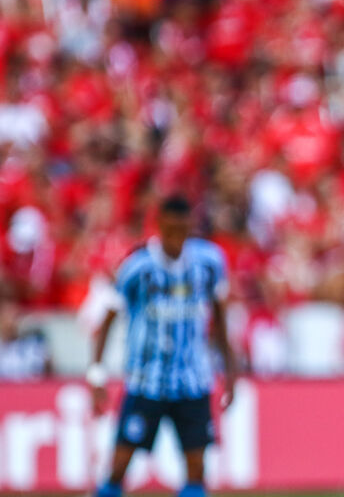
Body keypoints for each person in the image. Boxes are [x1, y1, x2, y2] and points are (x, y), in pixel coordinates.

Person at [89, 195, 237, 497]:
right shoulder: (137, 267)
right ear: (159, 226)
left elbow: (221, 320)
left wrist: (231, 372)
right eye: (170, 230)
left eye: (182, 230)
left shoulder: (208, 262)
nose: (175, 238)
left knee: (196, 470)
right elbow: (107, 318)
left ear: (190, 227)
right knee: (119, 466)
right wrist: (96, 374)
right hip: (146, 383)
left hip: (193, 381)